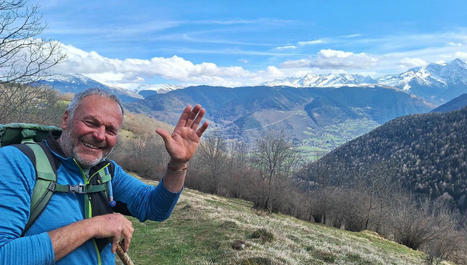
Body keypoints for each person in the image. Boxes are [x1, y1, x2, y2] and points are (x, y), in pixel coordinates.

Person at [0, 88, 208, 264]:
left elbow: (155, 208)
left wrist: (178, 164)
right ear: (66, 119)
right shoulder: (17, 162)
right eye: (91, 123)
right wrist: (94, 226)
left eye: (110, 130)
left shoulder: (106, 172)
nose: (100, 136)